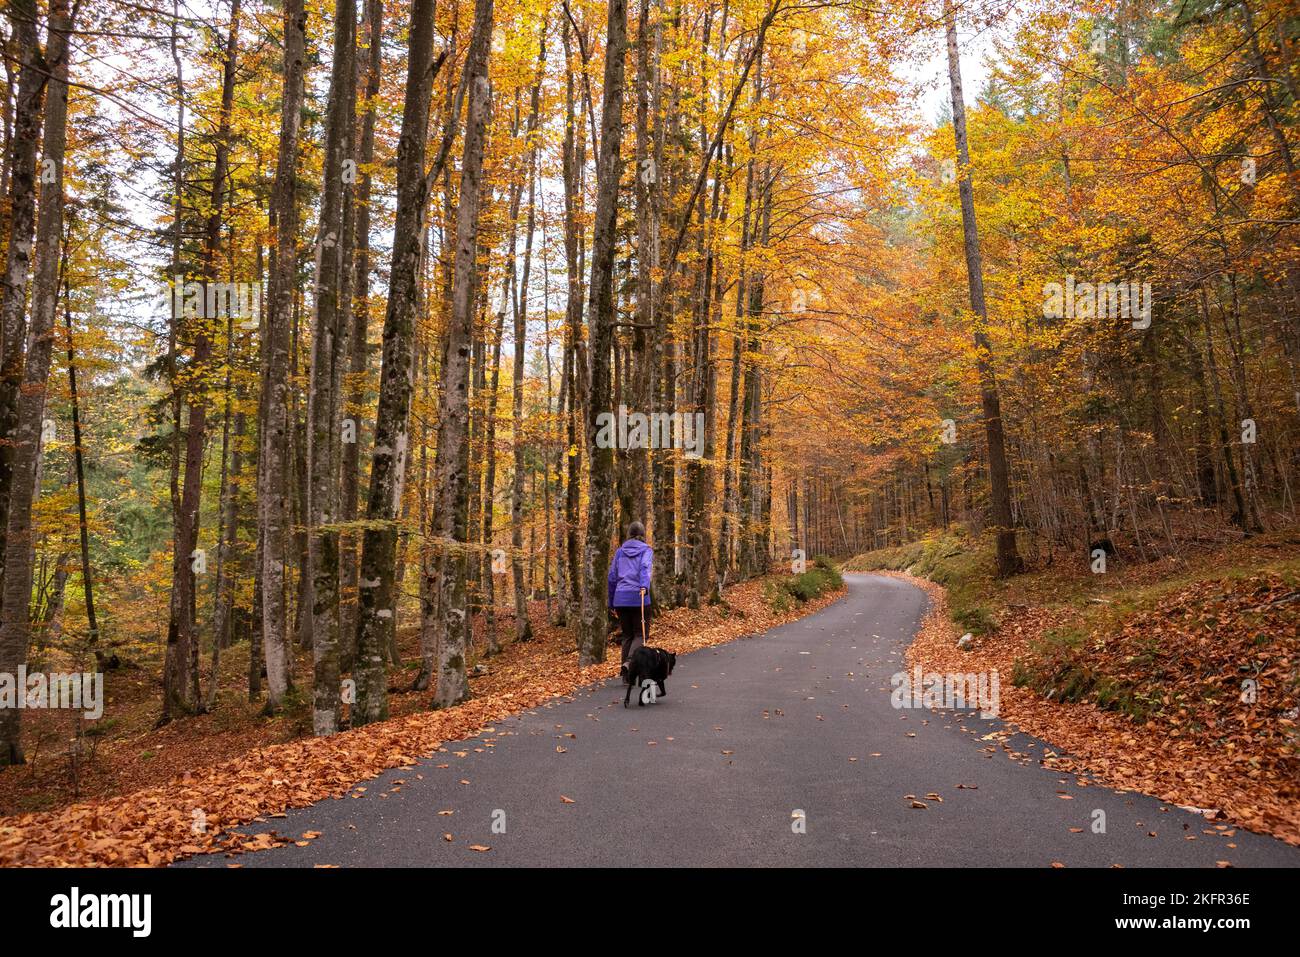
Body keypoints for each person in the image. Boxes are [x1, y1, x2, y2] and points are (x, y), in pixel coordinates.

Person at [607, 521, 653, 682]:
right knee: (641, 634)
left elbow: (612, 576)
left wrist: (611, 601)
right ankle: (629, 662)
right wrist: (644, 586)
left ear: (629, 534)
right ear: (642, 534)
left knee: (627, 635)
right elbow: (645, 568)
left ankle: (626, 675)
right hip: (638, 596)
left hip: (620, 597)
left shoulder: (620, 552)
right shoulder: (646, 550)